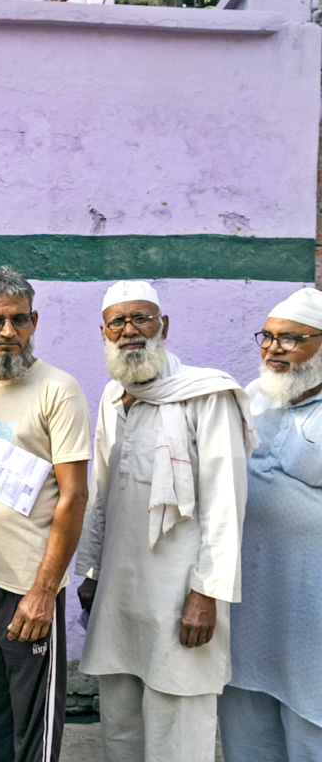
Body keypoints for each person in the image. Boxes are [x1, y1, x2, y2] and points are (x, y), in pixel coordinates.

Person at [75, 280, 256, 762]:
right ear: (104, 331)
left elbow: (226, 501)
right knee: (121, 725)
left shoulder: (206, 394)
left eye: (142, 318)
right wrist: (92, 570)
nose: (130, 330)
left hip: (182, 593)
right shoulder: (114, 396)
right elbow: (103, 493)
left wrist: (207, 593)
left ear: (164, 325)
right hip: (120, 588)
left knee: (178, 723)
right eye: (118, 322)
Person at [0, 265, 91, 762]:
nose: (7, 333)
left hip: (26, 581)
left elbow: (74, 496)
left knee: (33, 721)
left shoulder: (58, 390)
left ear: (34, 322)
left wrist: (45, 590)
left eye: (19, 320)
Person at [218, 287, 322, 761]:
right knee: (247, 736)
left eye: (290, 339)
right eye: (268, 337)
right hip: (252, 612)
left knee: (310, 735)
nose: (273, 348)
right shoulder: (254, 396)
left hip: (312, 617)